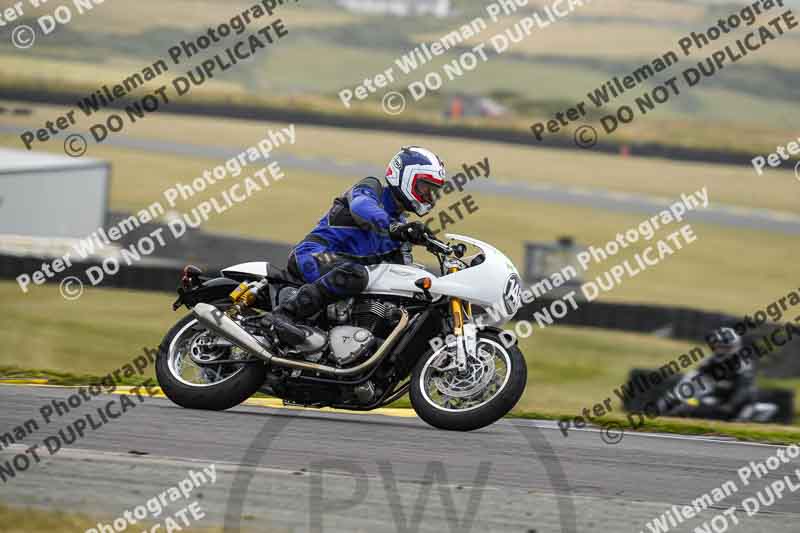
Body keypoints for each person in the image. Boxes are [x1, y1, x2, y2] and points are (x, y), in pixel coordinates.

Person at [266, 146, 446, 346]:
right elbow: (362, 207)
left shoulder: (401, 229)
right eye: (424, 187)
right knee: (355, 273)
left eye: (433, 191)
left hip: (344, 273)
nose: (429, 195)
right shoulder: (371, 188)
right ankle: (284, 315)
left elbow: (403, 273)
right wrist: (396, 228)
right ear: (404, 177)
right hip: (316, 255)